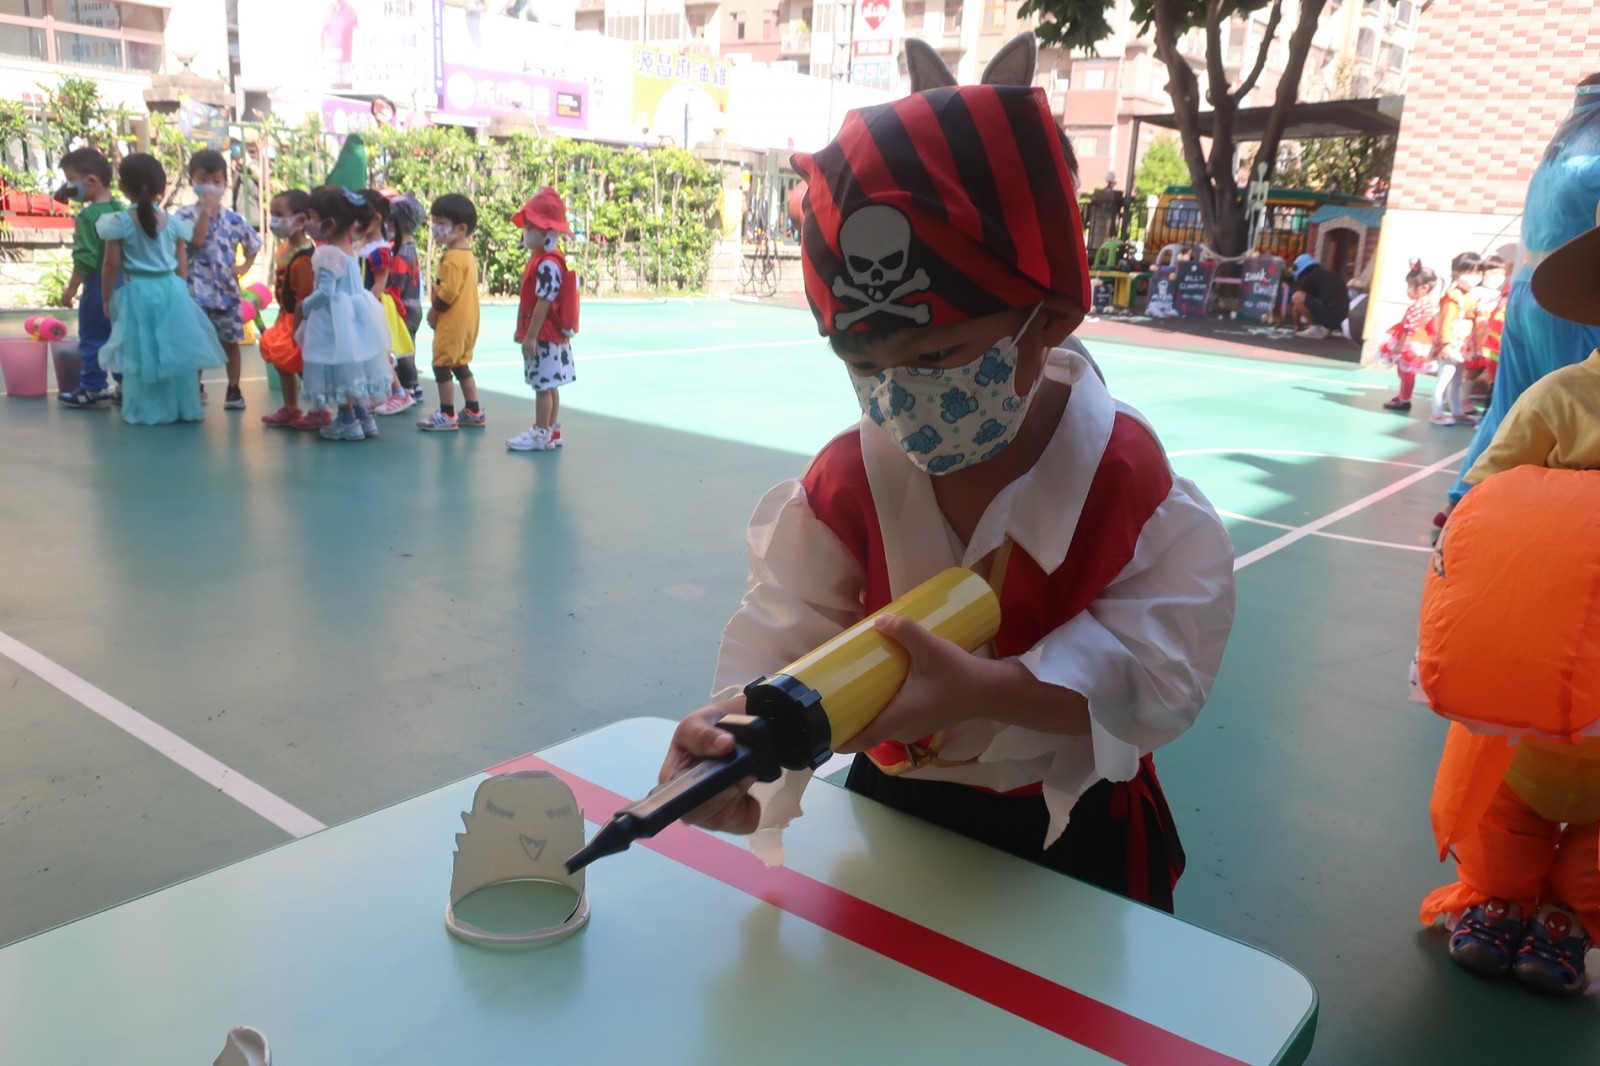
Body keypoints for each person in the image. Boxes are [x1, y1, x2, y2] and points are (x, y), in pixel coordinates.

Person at [657, 86, 1236, 911]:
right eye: (863, 364)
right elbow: (785, 639)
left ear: (1048, 318)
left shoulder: (1123, 482)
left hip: (1072, 831)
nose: (898, 396)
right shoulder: (845, 486)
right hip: (892, 818)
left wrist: (981, 691)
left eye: (937, 356)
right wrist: (730, 740)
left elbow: (1157, 673)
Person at [1416, 214, 1600, 997]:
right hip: (1534, 665)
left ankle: (1569, 915)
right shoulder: (1561, 398)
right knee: (1505, 797)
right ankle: (1498, 894)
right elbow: (1484, 500)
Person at [1443, 75, 1600, 512]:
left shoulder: (1559, 152)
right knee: (1582, 412)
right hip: (1576, 296)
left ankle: (1464, 501)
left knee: (1512, 408)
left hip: (1532, 289)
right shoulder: (1592, 155)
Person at [94, 154, 224, 425]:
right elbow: (181, 262)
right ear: (162, 188)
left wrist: (106, 298)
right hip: (172, 290)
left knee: (142, 349)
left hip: (139, 291)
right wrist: (182, 292)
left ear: (122, 186)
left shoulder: (118, 222)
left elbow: (111, 265)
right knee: (174, 348)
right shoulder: (174, 223)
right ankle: (182, 406)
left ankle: (146, 408)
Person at [296, 186, 392, 442]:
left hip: (333, 319)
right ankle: (364, 417)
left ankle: (348, 420)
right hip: (354, 314)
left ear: (329, 224)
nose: (308, 222)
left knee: (337, 367)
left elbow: (325, 291)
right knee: (353, 366)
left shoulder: (327, 253)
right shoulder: (350, 250)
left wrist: (305, 306)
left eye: (312, 217)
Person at [175, 149, 261, 410]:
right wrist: (205, 211)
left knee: (231, 342)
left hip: (225, 291)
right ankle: (195, 387)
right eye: (203, 180)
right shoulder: (183, 216)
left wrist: (243, 266)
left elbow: (253, 243)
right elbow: (196, 241)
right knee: (195, 341)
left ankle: (233, 388)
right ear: (192, 181)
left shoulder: (235, 219)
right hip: (194, 291)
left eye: (216, 181)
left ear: (225, 183)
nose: (210, 186)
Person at [507, 187, 578, 452]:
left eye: (531, 225)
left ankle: (539, 432)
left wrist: (531, 336)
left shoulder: (547, 263)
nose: (526, 230)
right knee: (550, 384)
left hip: (544, 336)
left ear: (548, 231)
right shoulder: (545, 259)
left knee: (542, 387)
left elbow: (544, 301)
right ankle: (551, 430)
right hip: (552, 336)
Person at [54, 147, 123, 408]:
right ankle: (125, 384)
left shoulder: (88, 216)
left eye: (71, 179)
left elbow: (86, 257)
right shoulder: (120, 210)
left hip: (97, 282)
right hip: (125, 283)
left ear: (91, 180)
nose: (68, 186)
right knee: (121, 335)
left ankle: (93, 387)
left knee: (93, 335)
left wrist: (72, 288)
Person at [417, 194, 483, 432]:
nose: (435, 228)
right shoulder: (467, 255)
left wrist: (434, 312)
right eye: (434, 222)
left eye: (441, 223)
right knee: (460, 364)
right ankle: (474, 410)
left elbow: (448, 293)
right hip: (467, 324)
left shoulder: (453, 258)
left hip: (452, 324)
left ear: (461, 228)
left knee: (442, 365)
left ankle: (447, 414)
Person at [259, 189, 316, 427]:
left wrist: (300, 324)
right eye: (272, 214)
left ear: (301, 220)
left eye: (280, 215)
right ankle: (291, 407)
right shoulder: (284, 250)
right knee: (281, 360)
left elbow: (305, 295)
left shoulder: (305, 256)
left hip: (301, 318)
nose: (274, 220)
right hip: (285, 317)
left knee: (305, 364)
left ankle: (318, 410)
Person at [1375, 260, 1439, 413]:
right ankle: (1403, 395)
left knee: (1406, 371)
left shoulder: (1418, 305)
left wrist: (1401, 345)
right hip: (1418, 340)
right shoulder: (1428, 303)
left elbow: (1409, 327)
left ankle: (1404, 399)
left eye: (1411, 286)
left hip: (1411, 341)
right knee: (1406, 371)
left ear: (1424, 288)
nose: (1408, 290)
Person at [1430, 251, 1485, 426]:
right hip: (1452, 343)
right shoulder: (1452, 296)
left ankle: (1457, 412)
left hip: (1464, 344)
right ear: (1455, 273)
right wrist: (1446, 344)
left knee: (1456, 380)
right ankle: (1437, 413)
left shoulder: (1472, 296)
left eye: (1478, 273)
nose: (1473, 278)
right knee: (1444, 378)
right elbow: (1445, 321)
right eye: (1468, 272)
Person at [1470, 254, 1510, 407]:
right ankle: (1459, 398)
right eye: (1493, 273)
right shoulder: (1475, 293)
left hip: (1491, 342)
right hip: (1474, 337)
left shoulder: (1500, 295)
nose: (1497, 278)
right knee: (1469, 370)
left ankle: (1465, 397)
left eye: (1501, 274)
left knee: (1483, 370)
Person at [1287, 252, 1349, 340]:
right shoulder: (1326, 275)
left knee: (1297, 297)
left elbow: (1297, 303)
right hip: (1341, 321)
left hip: (1330, 317)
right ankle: (1328, 329)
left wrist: (1297, 325)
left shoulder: (1311, 277)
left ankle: (1316, 329)